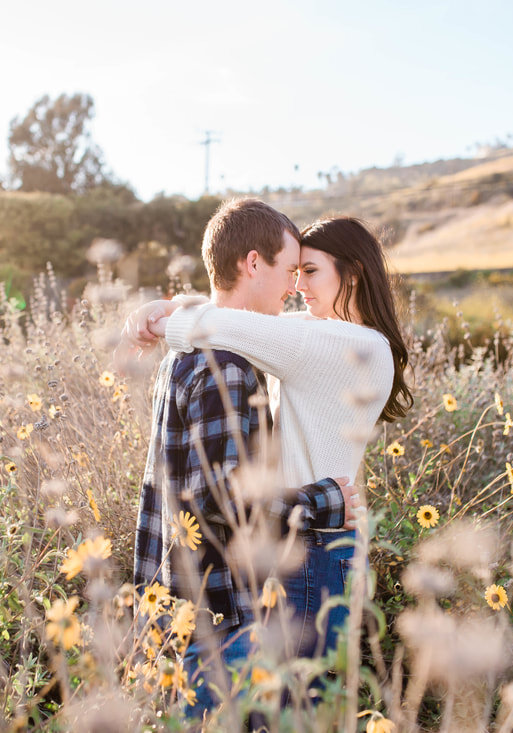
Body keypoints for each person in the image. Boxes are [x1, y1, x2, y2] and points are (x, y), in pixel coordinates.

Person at [128, 215, 412, 666]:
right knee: (287, 700)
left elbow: (245, 326)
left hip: (317, 541)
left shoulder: (348, 345)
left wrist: (164, 321)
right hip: (296, 537)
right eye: (294, 272)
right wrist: (176, 306)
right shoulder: (316, 336)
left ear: (353, 274)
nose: (298, 285)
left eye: (311, 271)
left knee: (300, 700)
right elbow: (247, 322)